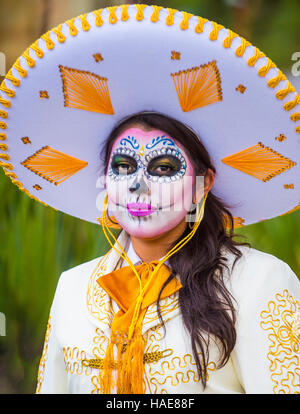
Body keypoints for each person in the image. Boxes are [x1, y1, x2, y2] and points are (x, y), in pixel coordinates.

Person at [0, 4, 299, 394]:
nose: (138, 186)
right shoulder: (73, 288)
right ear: (105, 181)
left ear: (203, 183)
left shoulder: (258, 282)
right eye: (123, 167)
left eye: (161, 168)